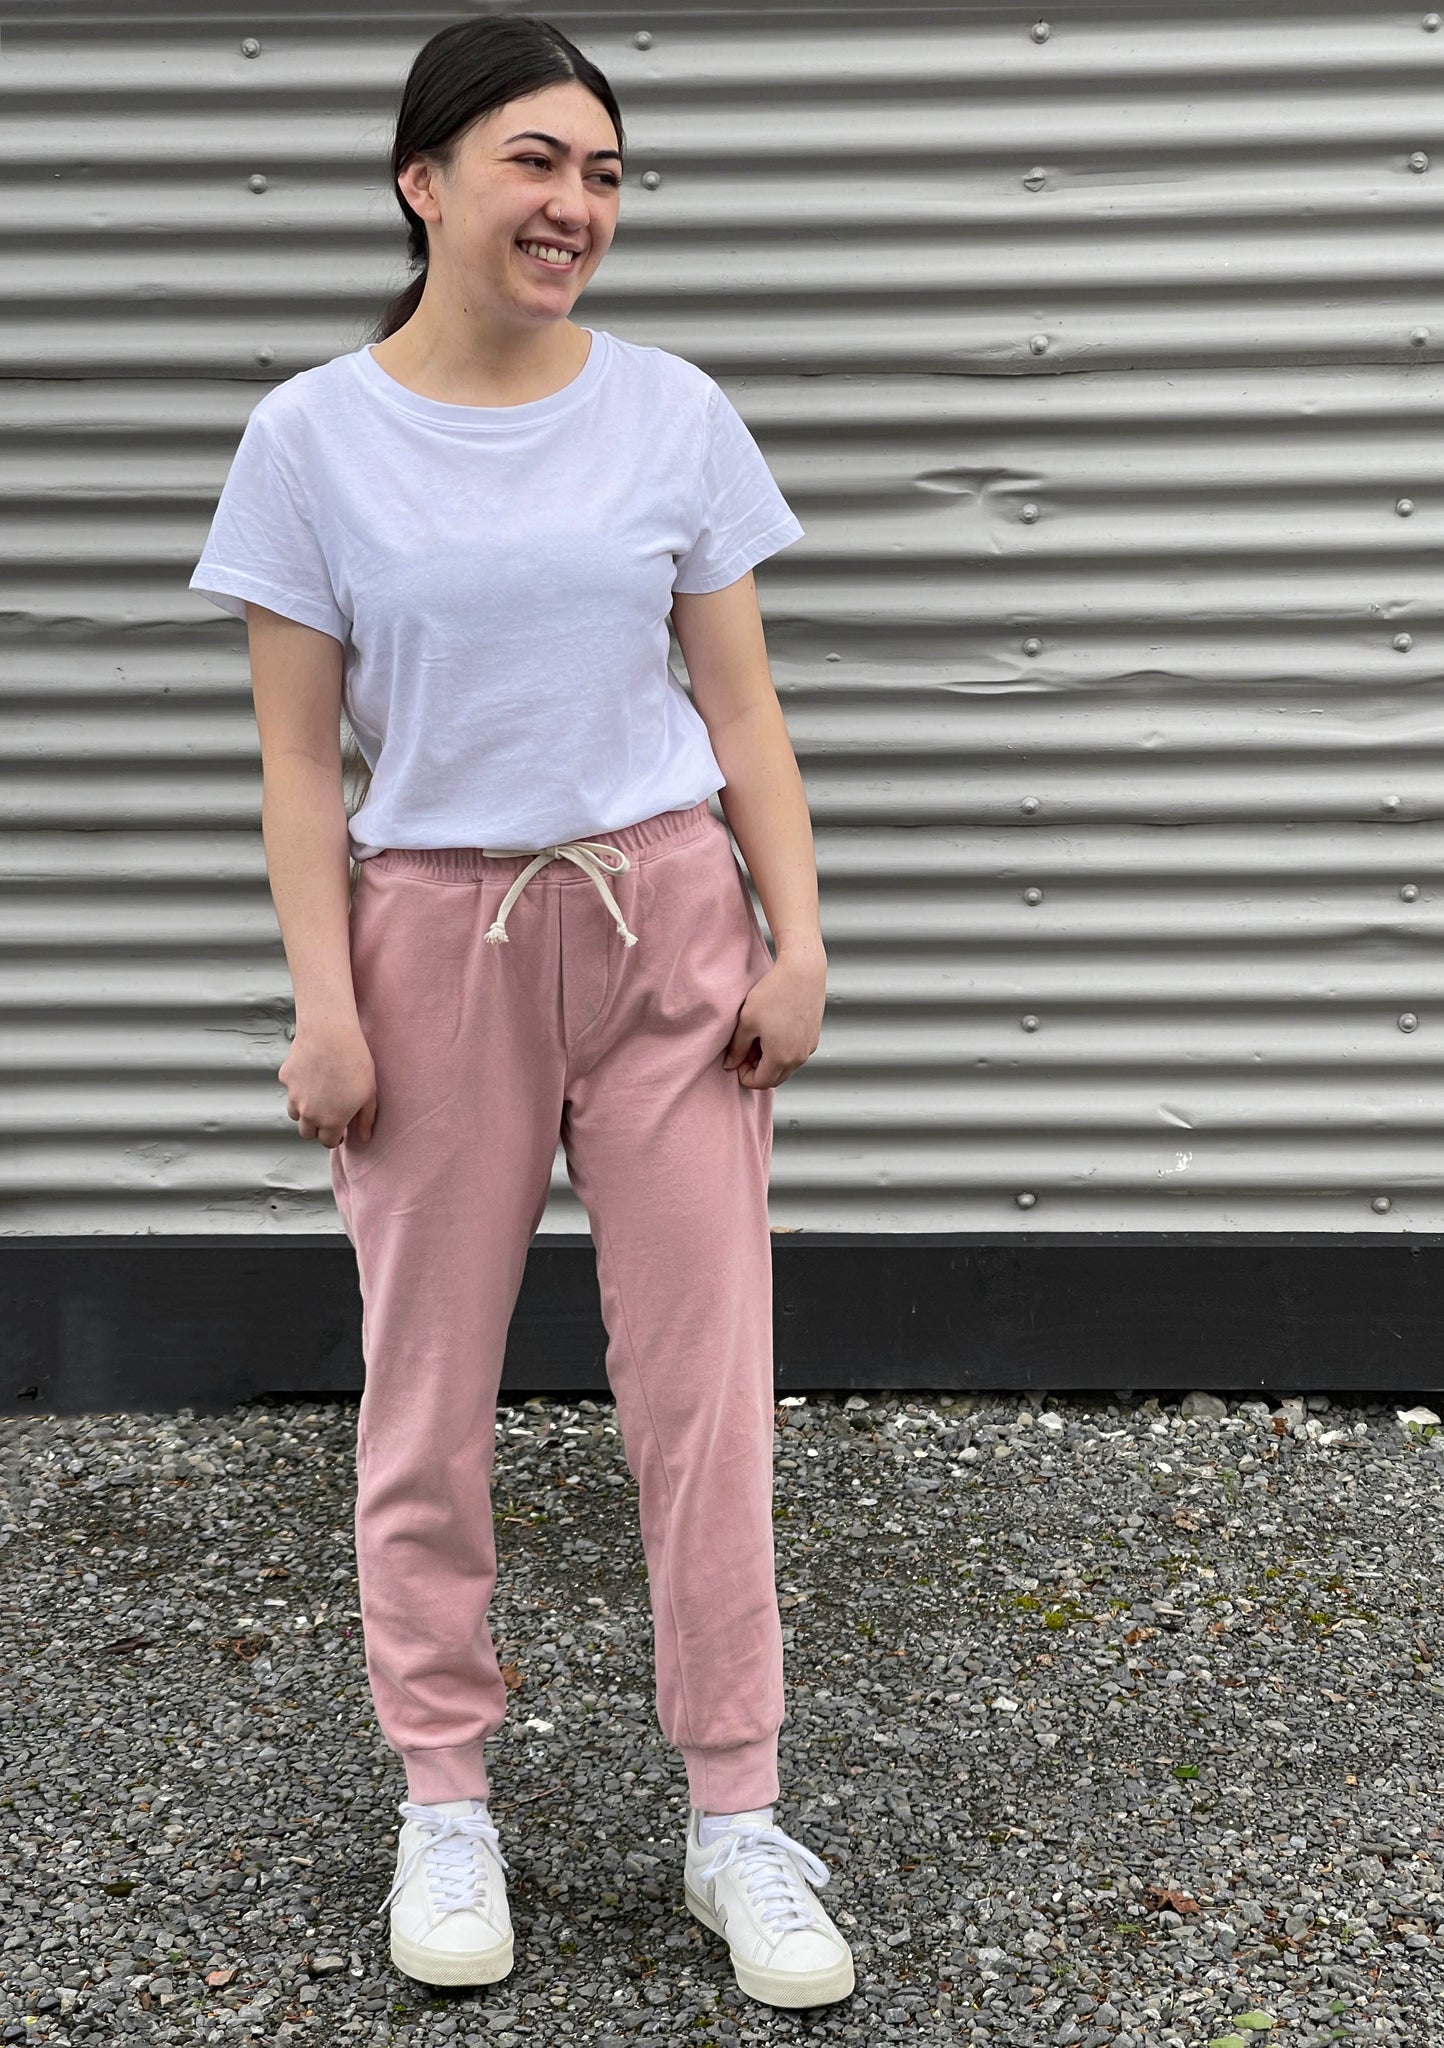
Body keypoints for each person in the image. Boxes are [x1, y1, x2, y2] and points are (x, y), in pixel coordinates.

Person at [187, 11, 853, 2013]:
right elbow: (302, 769)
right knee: (425, 1398)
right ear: (426, 183)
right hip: (432, 945)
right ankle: (445, 1795)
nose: (578, 206)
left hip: (661, 928)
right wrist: (325, 1003)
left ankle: (736, 1809)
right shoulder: (313, 436)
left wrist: (798, 935)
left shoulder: (670, 411)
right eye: (537, 164)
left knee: (705, 1392)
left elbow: (740, 709)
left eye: (606, 173)